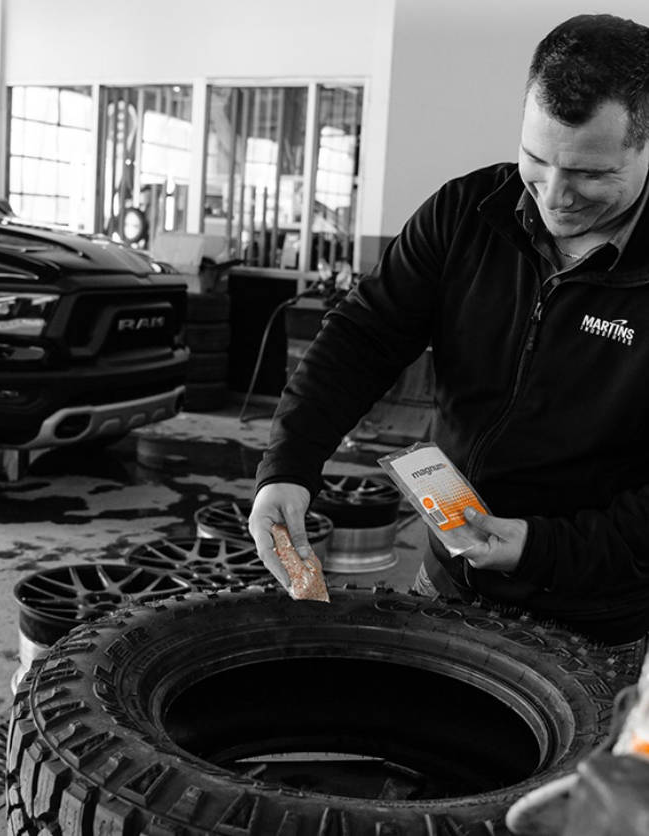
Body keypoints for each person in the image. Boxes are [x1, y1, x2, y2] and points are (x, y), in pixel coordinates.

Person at [248, 13, 649, 646]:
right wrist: (288, 467)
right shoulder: (466, 214)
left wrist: (537, 548)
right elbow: (362, 338)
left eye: (592, 174)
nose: (555, 197)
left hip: (595, 621)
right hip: (450, 581)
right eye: (536, 161)